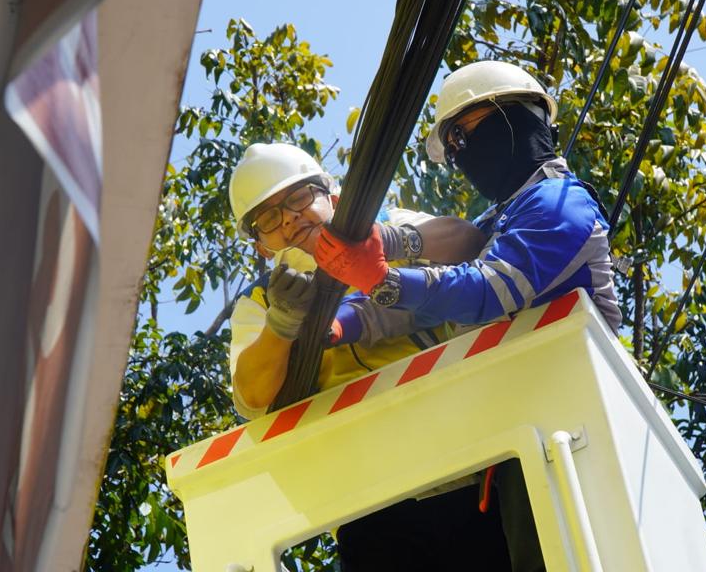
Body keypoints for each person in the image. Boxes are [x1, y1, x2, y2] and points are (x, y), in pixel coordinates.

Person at [314, 60, 623, 571]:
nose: (459, 156)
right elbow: (427, 294)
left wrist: (384, 279)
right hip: (514, 449)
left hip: (574, 435)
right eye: (450, 145)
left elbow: (487, 289)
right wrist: (342, 321)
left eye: (462, 134)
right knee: (376, 535)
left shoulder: (561, 204)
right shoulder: (498, 222)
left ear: (513, 117)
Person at [226, 143, 509, 571]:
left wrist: (392, 244)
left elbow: (470, 242)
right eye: (267, 218)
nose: (288, 218)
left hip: (468, 466)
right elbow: (252, 395)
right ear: (261, 245)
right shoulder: (260, 304)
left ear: (331, 196)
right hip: (368, 505)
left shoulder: (388, 230)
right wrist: (282, 325)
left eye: (298, 198)